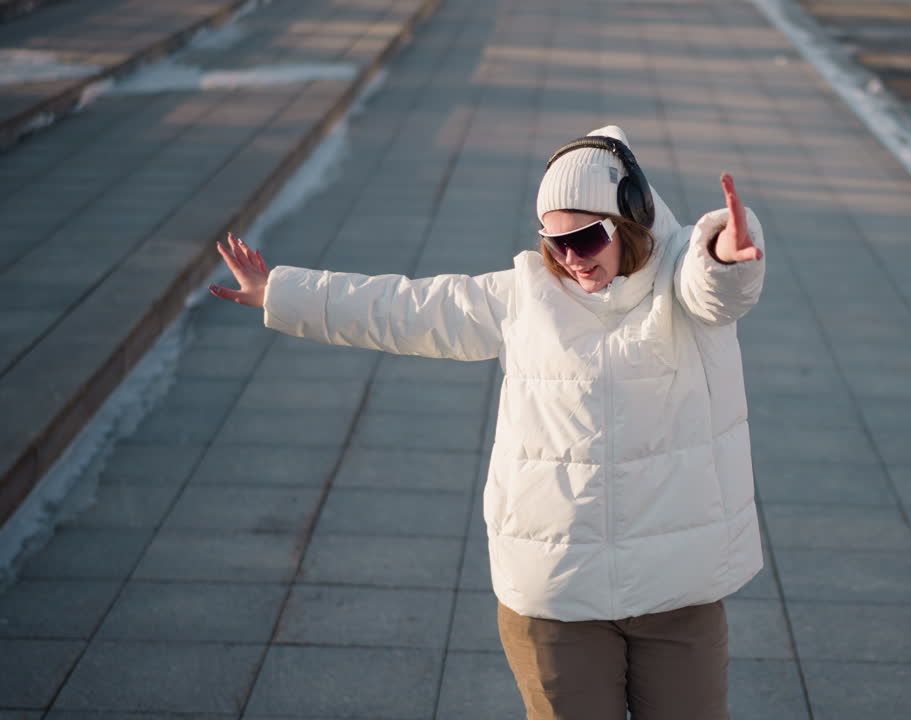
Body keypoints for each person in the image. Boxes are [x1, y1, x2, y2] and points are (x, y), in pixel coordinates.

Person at [209, 125, 766, 720]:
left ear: (628, 219)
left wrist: (726, 257)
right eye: (555, 243)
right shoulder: (523, 297)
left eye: (585, 237)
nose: (571, 258)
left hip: (674, 588)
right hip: (556, 592)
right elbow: (403, 309)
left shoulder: (681, 284)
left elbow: (718, 290)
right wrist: (280, 291)